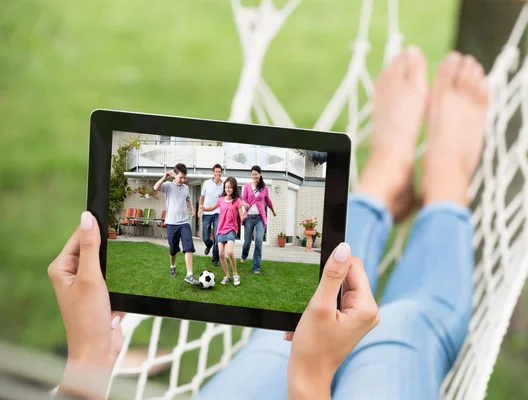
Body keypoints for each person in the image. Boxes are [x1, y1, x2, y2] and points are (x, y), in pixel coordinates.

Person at [48, 47, 489, 399]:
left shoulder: (237, 192)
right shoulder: (215, 194)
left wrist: (86, 363)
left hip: (243, 228)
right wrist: (310, 380)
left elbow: (244, 207)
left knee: (286, 333)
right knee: (403, 324)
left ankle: (381, 186)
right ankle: (444, 185)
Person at [153, 163, 200, 286]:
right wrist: (164, 177)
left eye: (185, 178)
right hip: (172, 223)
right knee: (173, 249)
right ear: (175, 175)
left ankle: (189, 274)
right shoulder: (168, 186)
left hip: (184, 222)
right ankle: (172, 266)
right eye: (181, 177)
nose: (183, 180)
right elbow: (155, 188)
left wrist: (192, 209)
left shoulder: (186, 188)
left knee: (188, 246)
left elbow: (188, 200)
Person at [202, 177, 246, 286]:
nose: (228, 189)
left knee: (230, 252)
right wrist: (203, 208)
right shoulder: (221, 199)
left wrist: (244, 216)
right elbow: (212, 207)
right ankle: (227, 276)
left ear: (234, 188)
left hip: (231, 229)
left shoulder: (237, 201)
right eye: (226, 187)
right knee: (221, 254)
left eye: (230, 187)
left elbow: (241, 216)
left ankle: (235, 274)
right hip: (221, 229)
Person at [240, 165, 277, 274]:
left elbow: (268, 201)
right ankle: (244, 255)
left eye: (256, 174)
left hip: (260, 218)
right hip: (250, 218)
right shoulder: (247, 186)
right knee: (247, 241)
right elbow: (242, 199)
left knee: (259, 241)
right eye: (253, 174)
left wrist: (273, 211)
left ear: (260, 174)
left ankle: (256, 267)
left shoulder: (264, 188)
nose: (254, 176)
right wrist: (245, 204)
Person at [199, 163, 224, 267]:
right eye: (216, 171)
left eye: (219, 172)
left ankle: (215, 259)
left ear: (221, 173)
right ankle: (208, 245)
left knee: (217, 238)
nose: (217, 173)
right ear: (213, 172)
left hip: (218, 213)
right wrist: (199, 208)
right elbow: (202, 196)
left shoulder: (223, 185)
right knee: (205, 237)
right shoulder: (206, 183)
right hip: (206, 213)